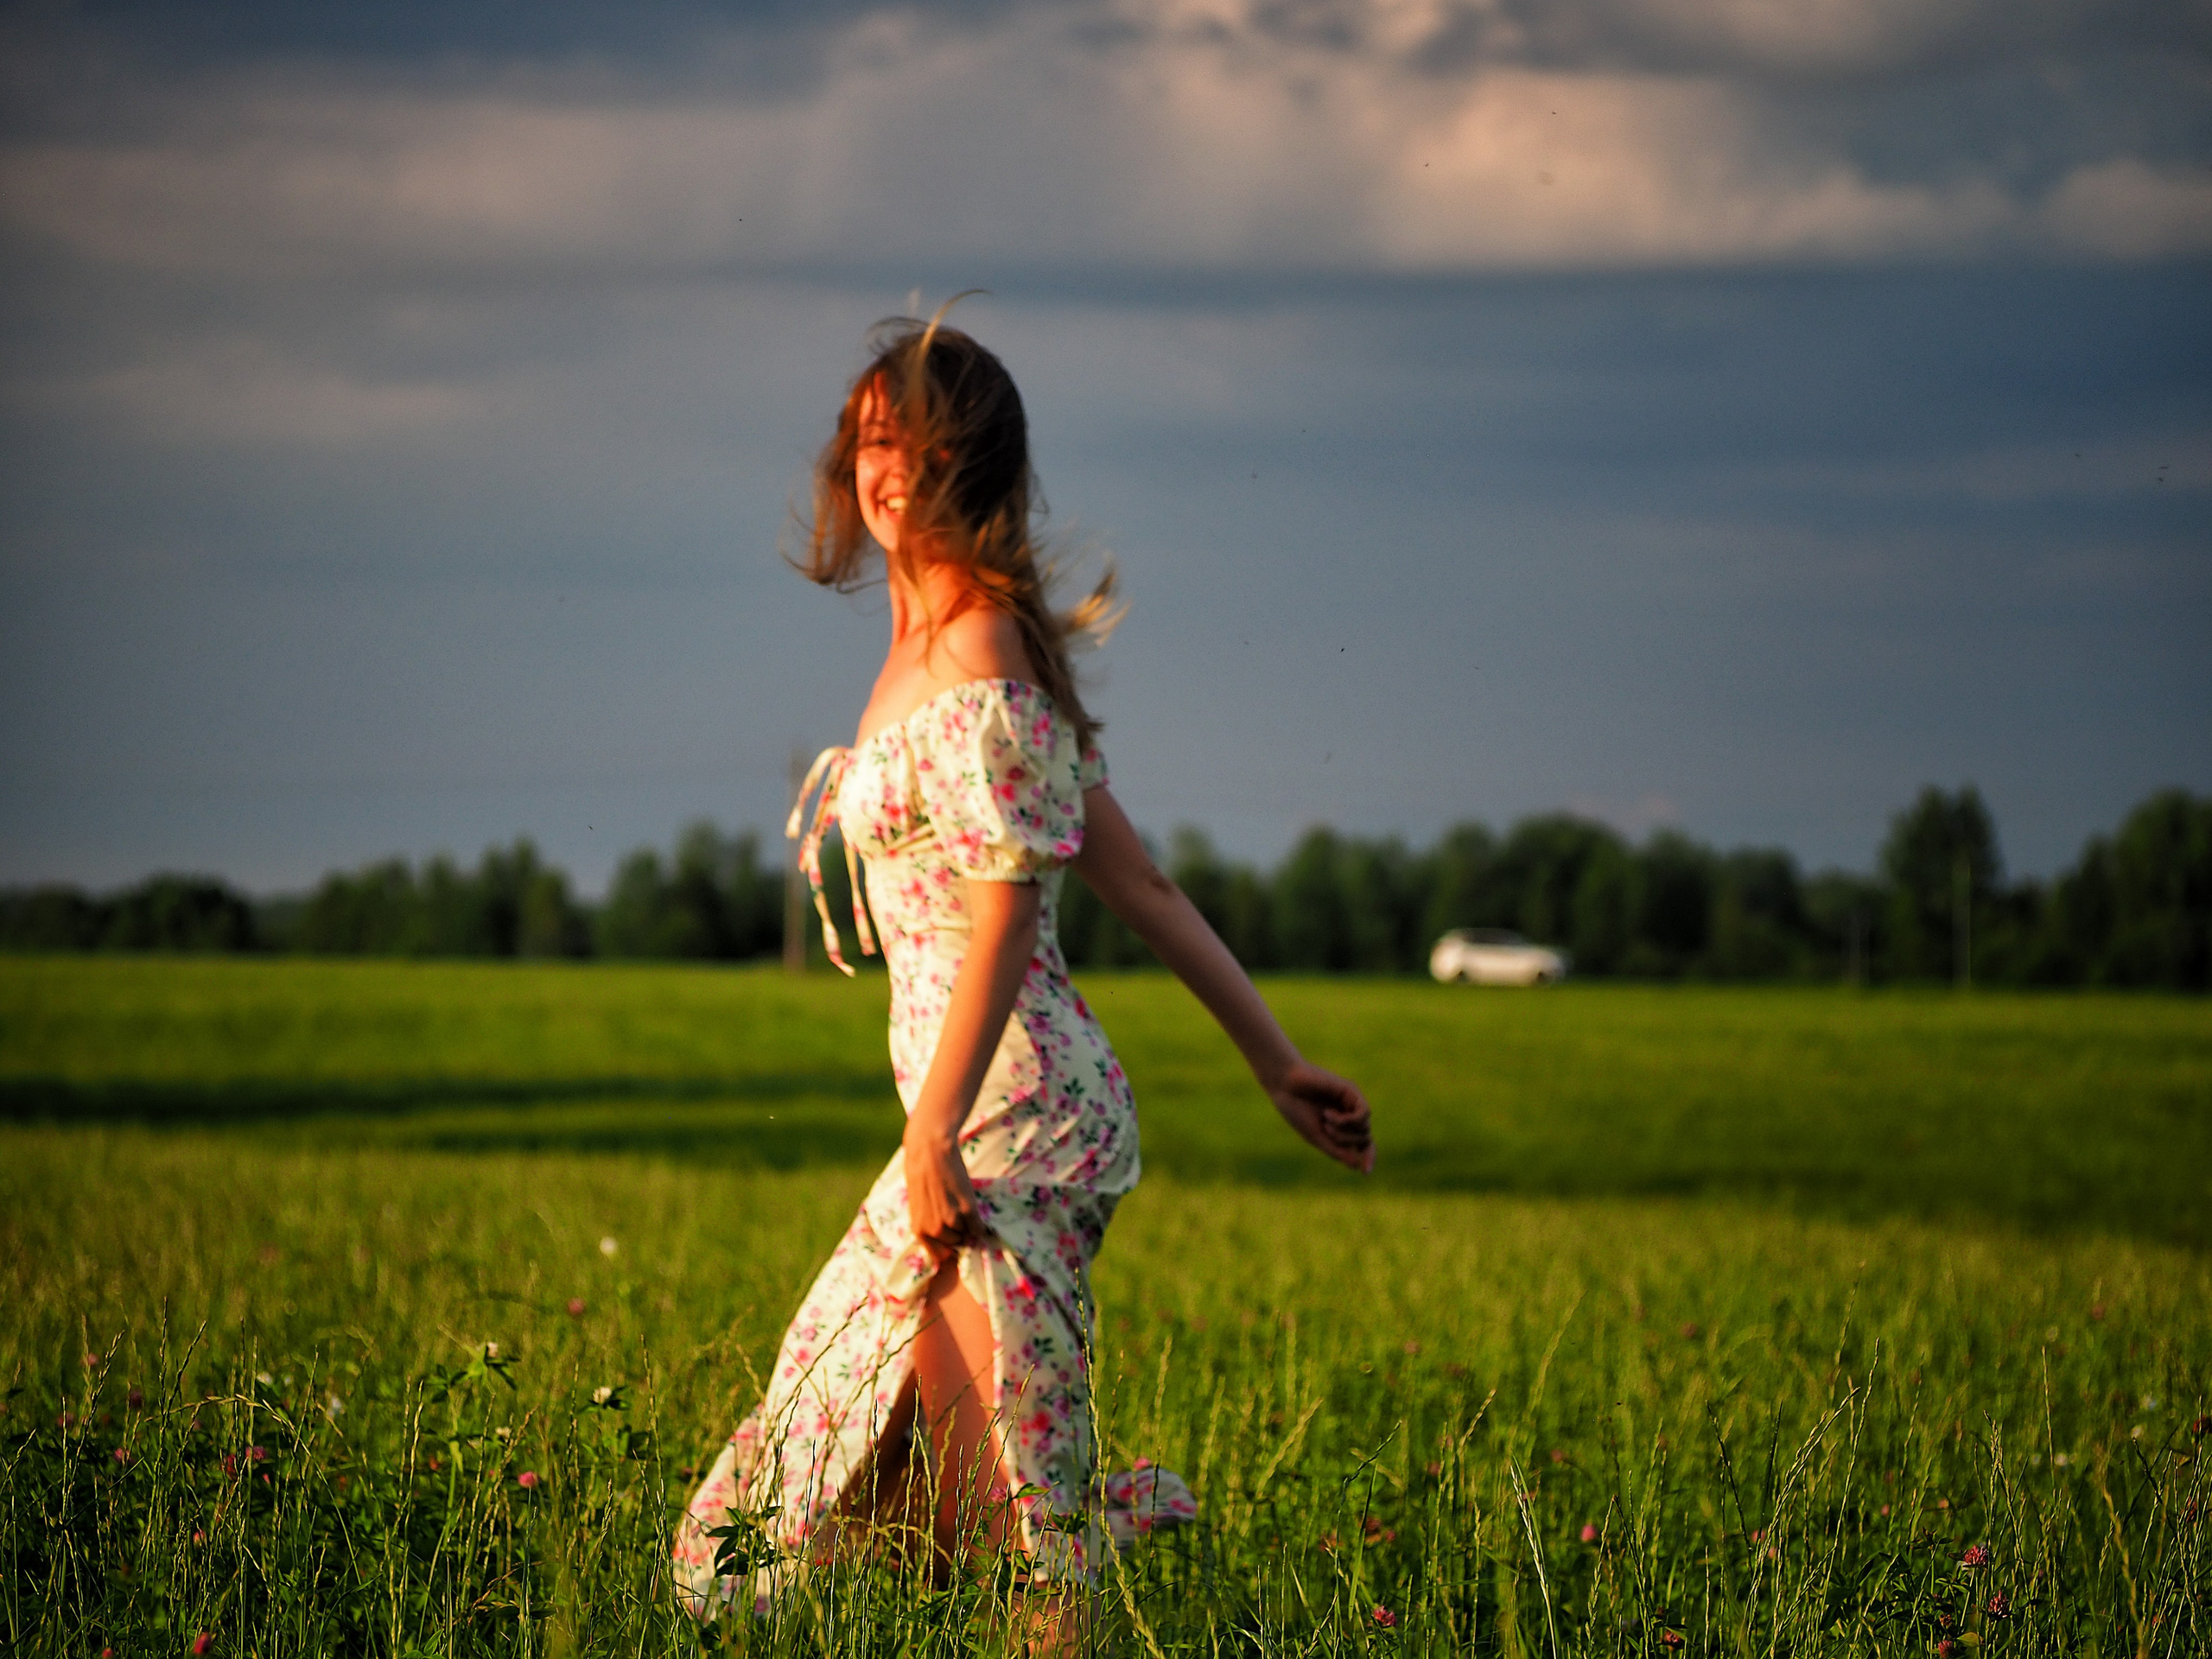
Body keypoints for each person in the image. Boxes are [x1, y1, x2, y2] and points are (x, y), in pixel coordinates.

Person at [672, 314, 1373, 1621]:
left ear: (973, 465)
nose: (886, 471)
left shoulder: (981, 646)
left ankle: (1107, 1567)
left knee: (1005, 1524)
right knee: (860, 1475)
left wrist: (935, 1128)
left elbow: (1010, 915)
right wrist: (1279, 1065)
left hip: (1012, 1121)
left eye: (917, 444)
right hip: (976, 1115)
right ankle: (1126, 1542)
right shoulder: (927, 650)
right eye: (869, 442)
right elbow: (1145, 883)